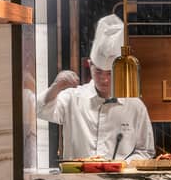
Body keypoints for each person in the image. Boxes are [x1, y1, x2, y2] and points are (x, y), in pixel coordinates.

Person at [38, 15, 154, 161]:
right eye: (98, 71)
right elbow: (40, 110)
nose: (104, 79)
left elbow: (145, 151)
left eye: (110, 73)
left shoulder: (135, 106)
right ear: (90, 65)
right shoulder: (72, 98)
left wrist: (122, 166)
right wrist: (56, 86)